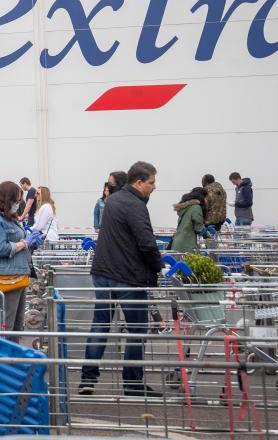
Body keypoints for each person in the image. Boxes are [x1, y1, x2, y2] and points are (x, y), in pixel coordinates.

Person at [79, 161, 163, 398]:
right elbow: (146, 241)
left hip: (103, 271)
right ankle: (132, 383)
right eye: (152, 182)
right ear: (138, 183)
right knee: (137, 328)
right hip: (127, 275)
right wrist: (160, 267)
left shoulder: (113, 200)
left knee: (100, 324)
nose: (154, 187)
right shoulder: (135, 205)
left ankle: (87, 378)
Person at [0, 181, 43, 334]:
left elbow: (18, 243)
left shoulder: (10, 218)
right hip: (6, 275)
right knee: (6, 325)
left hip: (20, 273)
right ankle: (2, 356)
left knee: (17, 325)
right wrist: (23, 243)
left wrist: (32, 243)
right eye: (16, 200)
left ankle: (13, 356)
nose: (18, 203)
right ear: (7, 199)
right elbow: (0, 248)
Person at [171, 187, 207, 254]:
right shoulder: (196, 207)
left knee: (179, 263)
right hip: (187, 244)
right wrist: (208, 236)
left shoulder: (185, 208)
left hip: (177, 242)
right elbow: (198, 227)